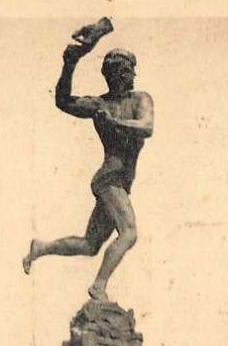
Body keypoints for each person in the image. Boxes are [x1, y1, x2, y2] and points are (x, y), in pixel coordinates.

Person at [23, 38, 154, 301]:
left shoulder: (140, 99)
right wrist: (69, 63)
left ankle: (41, 248)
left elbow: (147, 126)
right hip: (109, 180)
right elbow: (62, 101)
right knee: (129, 232)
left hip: (118, 183)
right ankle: (99, 285)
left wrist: (114, 120)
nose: (134, 75)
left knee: (90, 244)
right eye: (129, 70)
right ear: (118, 73)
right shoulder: (98, 105)